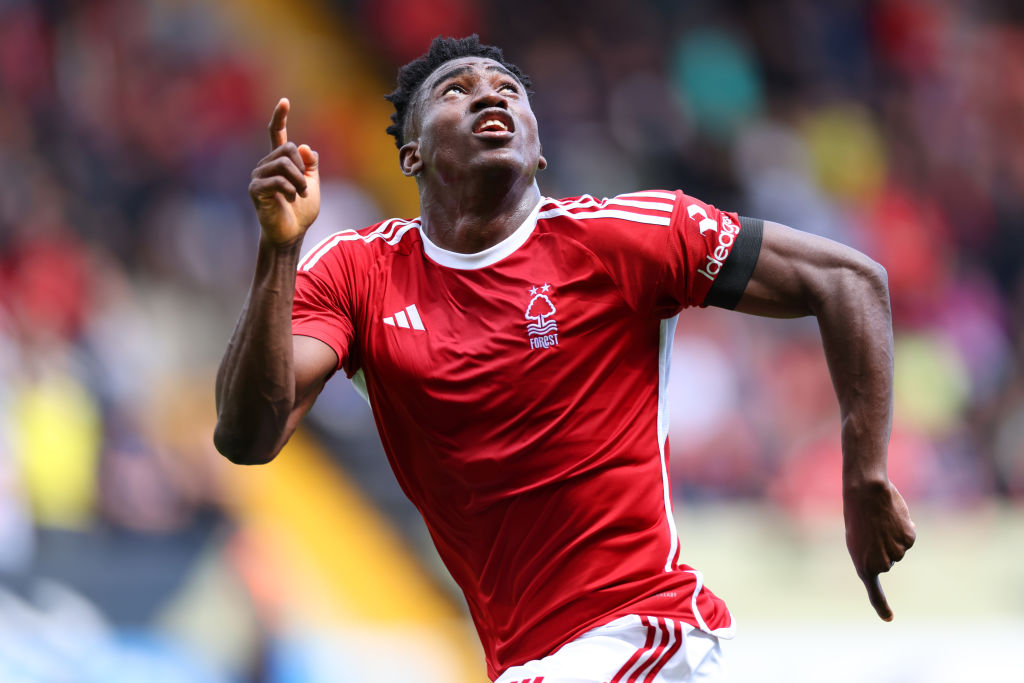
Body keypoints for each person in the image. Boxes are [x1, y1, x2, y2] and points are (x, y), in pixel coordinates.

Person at [214, 35, 916, 683]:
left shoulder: (625, 238)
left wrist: (864, 474)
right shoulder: (358, 272)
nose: (491, 95)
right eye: (456, 90)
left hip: (651, 634)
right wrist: (279, 249)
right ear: (412, 153)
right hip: (530, 661)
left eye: (510, 92)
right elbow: (248, 435)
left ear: (538, 149)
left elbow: (849, 280)